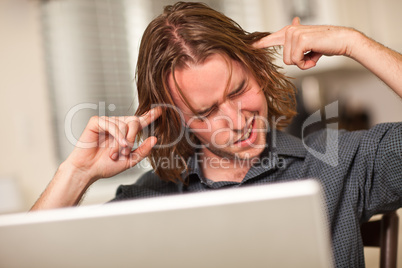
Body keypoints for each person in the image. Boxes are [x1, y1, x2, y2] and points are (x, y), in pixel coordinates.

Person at [31, 2, 402, 267]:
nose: (235, 120)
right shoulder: (150, 199)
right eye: (207, 112)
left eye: (239, 90)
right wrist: (76, 175)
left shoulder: (339, 161)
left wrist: (355, 42)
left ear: (258, 71)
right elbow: (28, 260)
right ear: (178, 120)